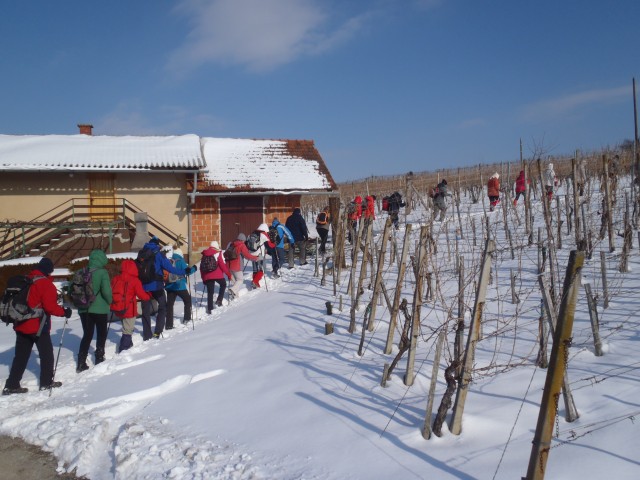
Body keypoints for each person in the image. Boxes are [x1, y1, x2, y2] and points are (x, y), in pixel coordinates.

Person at [3, 257, 72, 395]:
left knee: (21, 356)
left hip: (21, 324)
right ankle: (46, 383)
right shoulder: (45, 284)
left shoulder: (26, 280)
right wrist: (64, 312)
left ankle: (11, 385)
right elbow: (50, 307)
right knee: (46, 355)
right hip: (38, 326)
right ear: (49, 271)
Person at [140, 236, 191, 340]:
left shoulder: (141, 253)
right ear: (157, 244)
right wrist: (184, 271)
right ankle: (157, 332)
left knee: (145, 311)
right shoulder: (159, 254)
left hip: (144, 286)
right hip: (156, 286)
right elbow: (171, 269)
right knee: (162, 307)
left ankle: (147, 335)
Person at [76, 249, 112, 372]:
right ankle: (99, 357)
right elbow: (106, 291)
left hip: (84, 309)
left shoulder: (81, 271)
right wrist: (110, 301)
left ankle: (81, 362)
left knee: (87, 335)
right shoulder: (102, 272)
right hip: (99, 308)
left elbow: (72, 289)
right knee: (101, 333)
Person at [110, 259, 151, 352]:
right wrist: (148, 296)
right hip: (129, 308)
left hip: (118, 307)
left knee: (125, 327)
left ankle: (129, 345)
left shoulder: (116, 278)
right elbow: (141, 295)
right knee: (128, 330)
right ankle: (123, 349)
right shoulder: (135, 280)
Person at [165, 247, 197, 329]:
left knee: (170, 305)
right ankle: (187, 318)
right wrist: (194, 268)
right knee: (187, 300)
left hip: (169, 286)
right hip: (179, 286)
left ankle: (169, 325)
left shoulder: (168, 260)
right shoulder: (180, 261)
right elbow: (187, 271)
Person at [200, 241, 232, 313]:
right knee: (223, 284)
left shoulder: (204, 254)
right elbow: (222, 265)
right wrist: (228, 274)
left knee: (210, 292)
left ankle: (210, 308)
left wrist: (203, 278)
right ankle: (219, 300)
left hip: (207, 275)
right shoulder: (218, 253)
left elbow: (201, 267)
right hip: (217, 275)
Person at [227, 233, 259, 299]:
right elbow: (247, 256)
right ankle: (232, 290)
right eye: (244, 241)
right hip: (237, 266)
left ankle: (235, 296)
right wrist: (256, 258)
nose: (244, 242)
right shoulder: (241, 245)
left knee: (235, 282)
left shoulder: (230, 243)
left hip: (228, 265)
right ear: (242, 240)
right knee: (240, 280)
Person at [247, 223, 275, 288]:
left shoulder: (253, 233)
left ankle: (253, 282)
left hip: (251, 254)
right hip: (259, 254)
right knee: (262, 269)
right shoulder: (263, 234)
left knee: (255, 269)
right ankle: (255, 281)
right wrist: (274, 244)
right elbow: (270, 244)